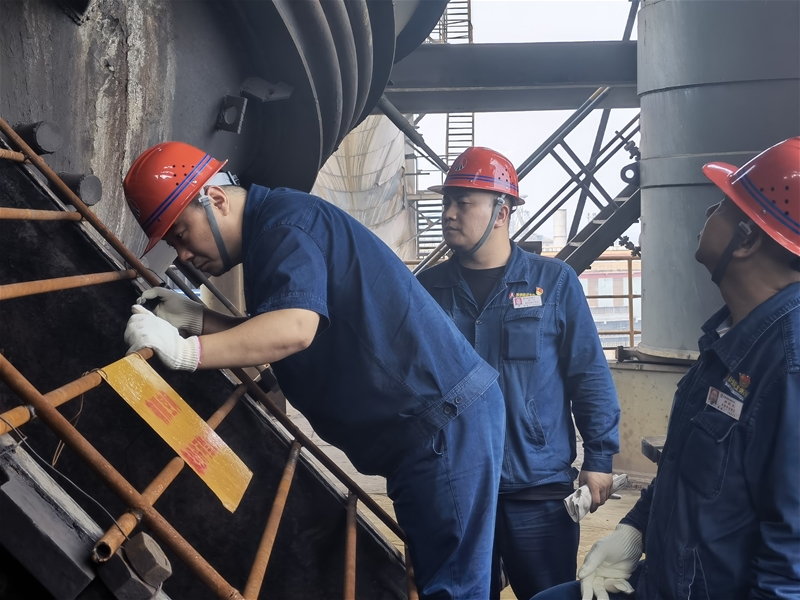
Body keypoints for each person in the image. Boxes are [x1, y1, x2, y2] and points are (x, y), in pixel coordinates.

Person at [120, 141, 506, 599]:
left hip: (441, 428)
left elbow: (294, 329)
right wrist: (195, 318)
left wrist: (186, 351)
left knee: (452, 591)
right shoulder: (276, 225)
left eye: (181, 234)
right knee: (440, 581)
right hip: (428, 430)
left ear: (216, 199)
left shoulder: (283, 226)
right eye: (171, 244)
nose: (182, 255)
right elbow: (280, 328)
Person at [534, 137, 800, 600]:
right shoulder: (733, 342)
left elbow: (791, 566)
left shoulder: (788, 365)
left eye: (725, 205)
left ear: (747, 239)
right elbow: (690, 469)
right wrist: (634, 530)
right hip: (667, 580)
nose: (709, 210)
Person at [415, 147, 621, 600]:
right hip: (455, 485)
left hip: (537, 487)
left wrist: (600, 459)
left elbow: (588, 374)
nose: (448, 213)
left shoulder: (554, 283)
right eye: (446, 202)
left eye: (463, 202)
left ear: (502, 212)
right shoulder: (425, 290)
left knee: (548, 593)